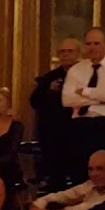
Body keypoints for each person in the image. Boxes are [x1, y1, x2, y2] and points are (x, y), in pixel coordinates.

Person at [63, 28, 105, 177]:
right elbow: (67, 100)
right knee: (80, 170)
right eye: (88, 43)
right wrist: (101, 95)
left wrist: (85, 92)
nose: (92, 47)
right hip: (80, 125)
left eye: (97, 43)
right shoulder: (76, 70)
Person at [30, 38, 81, 189]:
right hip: (53, 135)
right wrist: (49, 91)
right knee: (55, 178)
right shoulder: (50, 77)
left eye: (70, 51)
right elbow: (34, 101)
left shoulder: (85, 75)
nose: (65, 55)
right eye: (62, 52)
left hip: (77, 133)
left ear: (78, 53)